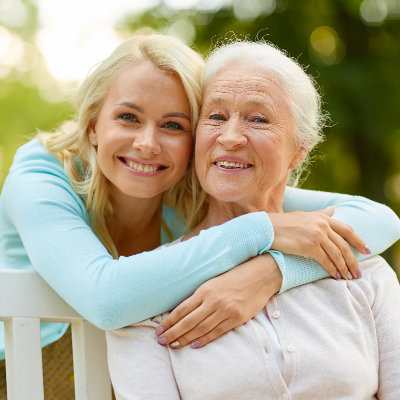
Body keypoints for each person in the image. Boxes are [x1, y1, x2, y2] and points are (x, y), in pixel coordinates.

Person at [0, 34, 398, 397]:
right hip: (24, 361)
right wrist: (260, 229)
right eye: (128, 117)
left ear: (192, 141)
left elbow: (377, 219)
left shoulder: (189, 181)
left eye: (173, 125)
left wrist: (269, 272)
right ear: (91, 125)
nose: (147, 144)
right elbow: (108, 299)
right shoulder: (42, 172)